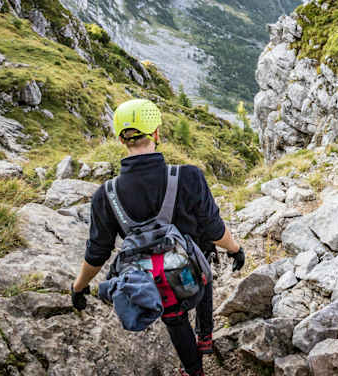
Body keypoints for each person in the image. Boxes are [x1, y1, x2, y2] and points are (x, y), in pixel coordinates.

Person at [70, 99, 245, 376]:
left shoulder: (106, 195)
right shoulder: (188, 176)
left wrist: (79, 287)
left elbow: (97, 252)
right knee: (202, 265)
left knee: (175, 320)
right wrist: (234, 249)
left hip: (157, 280)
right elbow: (214, 229)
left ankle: (193, 370)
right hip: (195, 269)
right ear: (156, 133)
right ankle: (205, 337)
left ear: (121, 139)